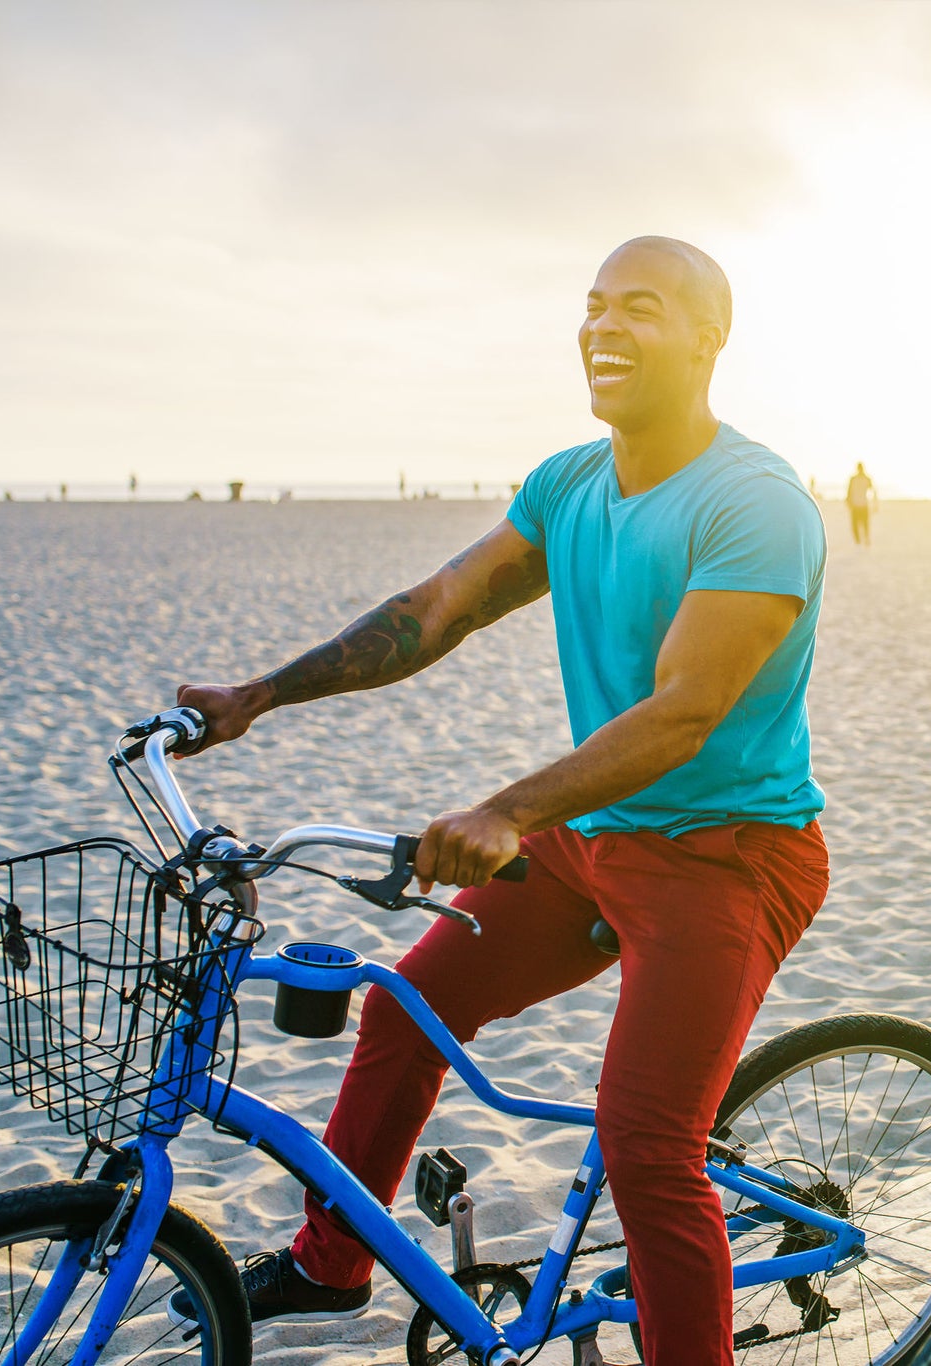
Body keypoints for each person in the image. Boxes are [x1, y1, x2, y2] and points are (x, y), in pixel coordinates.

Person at [170, 237, 830, 1366]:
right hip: (598, 842)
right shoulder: (569, 484)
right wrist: (257, 697)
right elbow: (434, 611)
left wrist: (508, 811)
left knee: (648, 1145)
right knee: (404, 1009)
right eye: (592, 307)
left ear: (709, 338)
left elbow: (685, 712)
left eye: (641, 308)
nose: (604, 327)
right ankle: (332, 1260)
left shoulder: (755, 502)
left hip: (732, 854)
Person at [846, 461, 876, 545]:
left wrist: (848, 501)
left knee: (862, 524)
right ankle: (860, 540)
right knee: (859, 524)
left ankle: (862, 540)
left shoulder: (863, 478)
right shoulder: (862, 478)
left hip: (860, 505)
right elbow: (873, 490)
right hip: (860, 505)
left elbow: (873, 490)